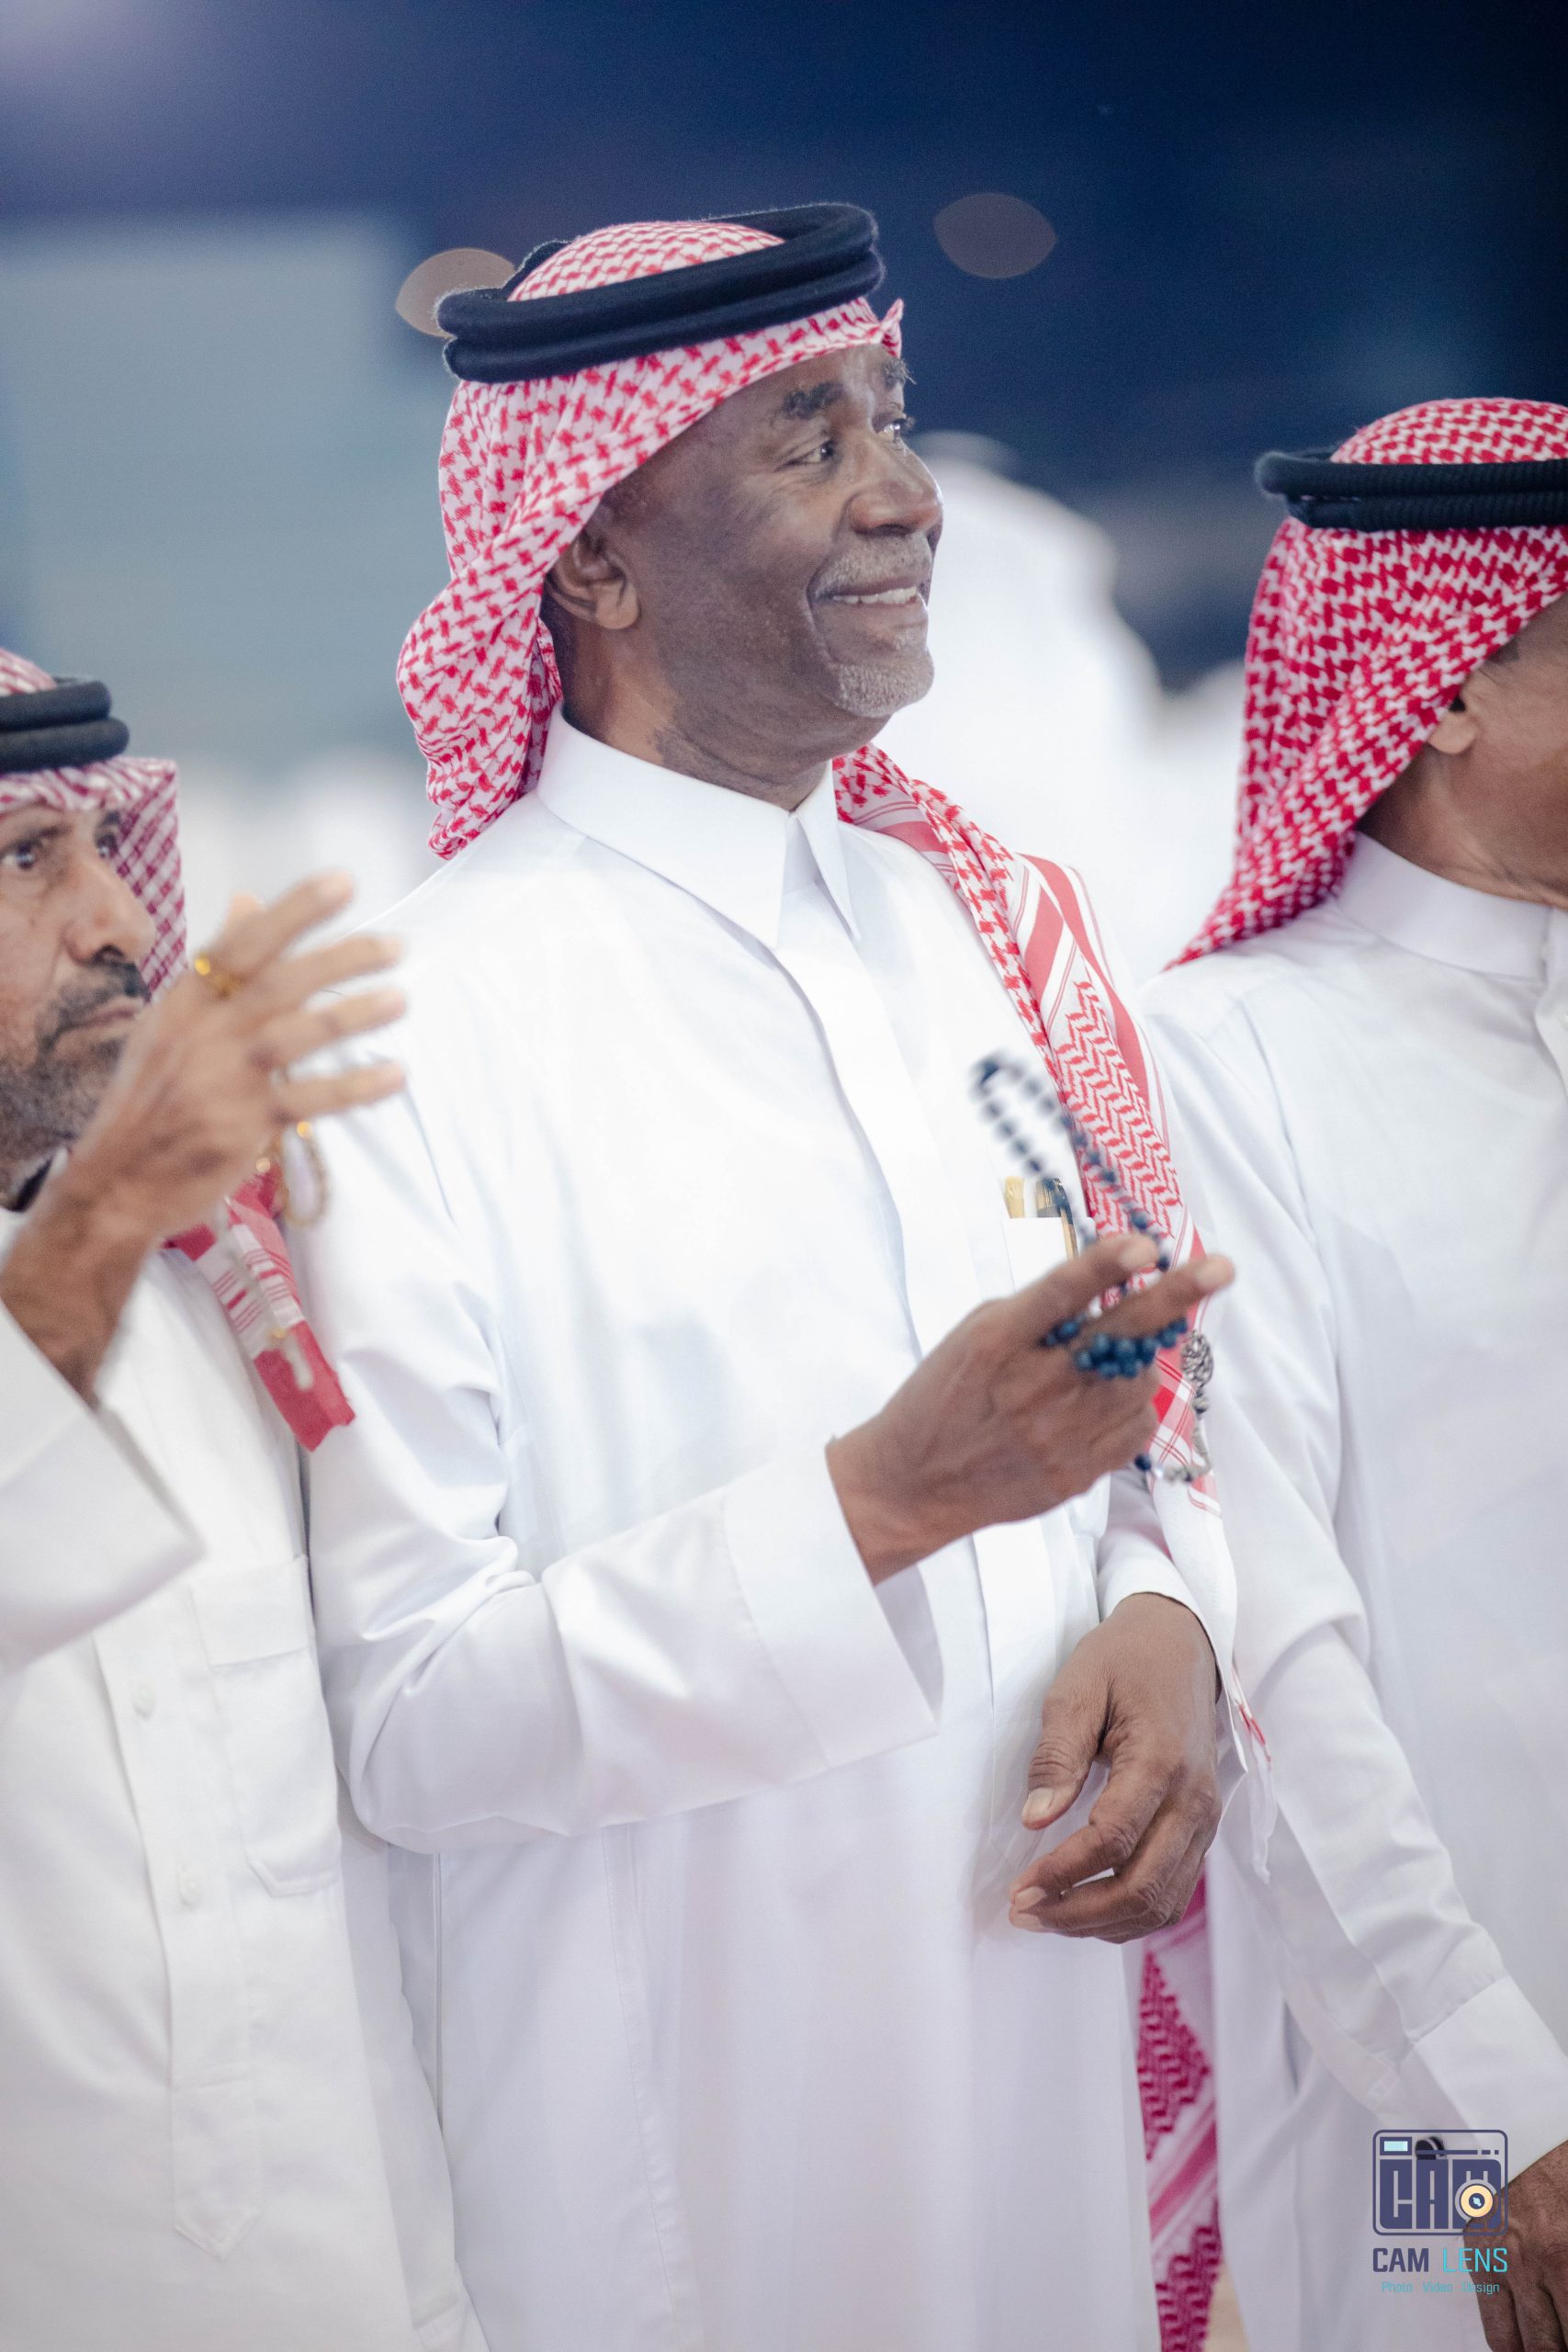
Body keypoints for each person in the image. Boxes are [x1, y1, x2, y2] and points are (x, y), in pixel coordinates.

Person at [298, 206, 1265, 2352]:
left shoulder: (984, 933)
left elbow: (1151, 1414)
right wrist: (877, 1505)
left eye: (888, 421)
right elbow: (408, 1724)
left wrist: (1166, 1605)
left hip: (1039, 2093)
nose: (904, 495)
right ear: (588, 552)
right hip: (676, 2160)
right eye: (807, 441)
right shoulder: (405, 1036)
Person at [1142, 398, 1568, 2352]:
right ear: (1450, 682)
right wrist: (1494, 2114)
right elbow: (1265, 1634)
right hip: (1443, 2092)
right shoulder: (1224, 1061)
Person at [0, 649, 484, 2352]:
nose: (119, 924)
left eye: (98, 848)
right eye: (25, 860)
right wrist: (113, 1203)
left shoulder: (210, 1285)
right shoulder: (122, 1231)